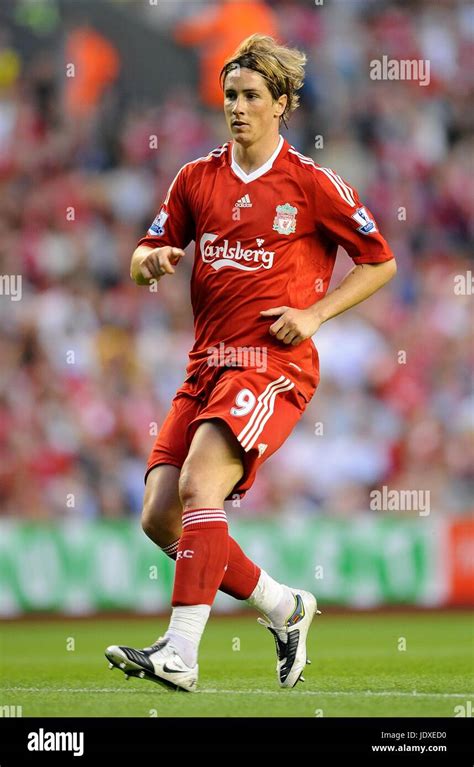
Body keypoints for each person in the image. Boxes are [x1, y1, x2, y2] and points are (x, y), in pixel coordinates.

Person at [105, 34, 396, 692]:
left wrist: (317, 313)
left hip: (272, 363)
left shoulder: (312, 184)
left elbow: (381, 262)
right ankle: (284, 606)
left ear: (283, 104)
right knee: (159, 516)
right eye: (230, 95)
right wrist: (147, 261)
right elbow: (142, 252)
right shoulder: (195, 178)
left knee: (199, 485)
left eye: (251, 96)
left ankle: (180, 652)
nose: (237, 107)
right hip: (204, 364)